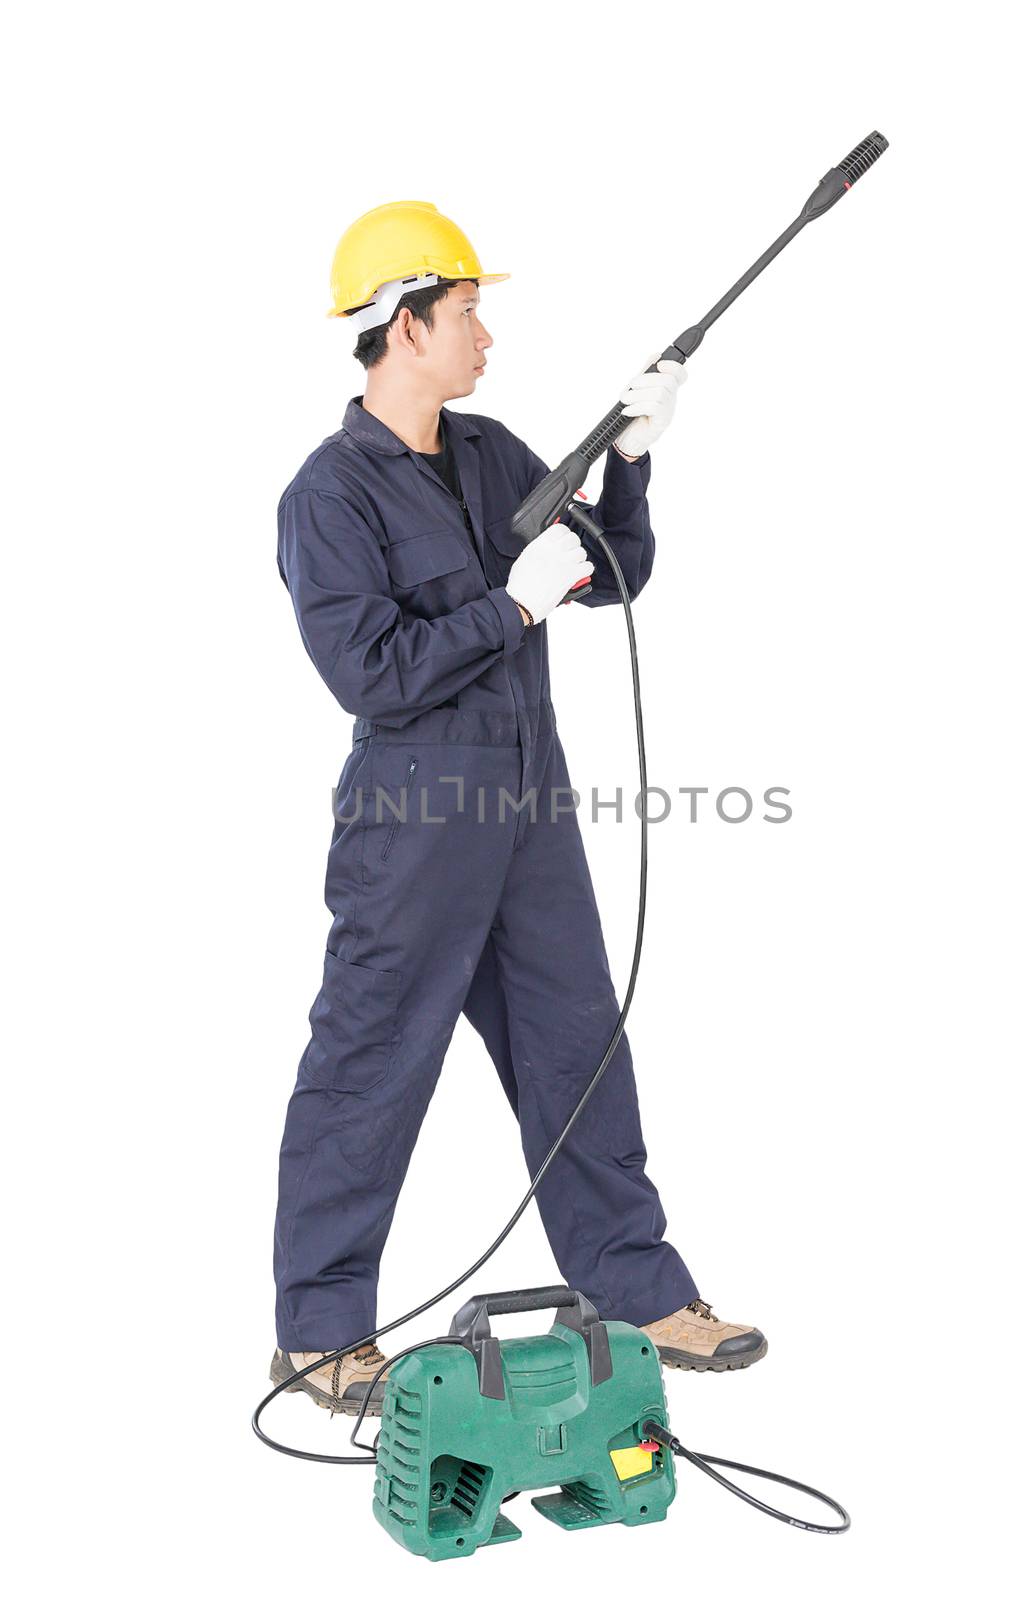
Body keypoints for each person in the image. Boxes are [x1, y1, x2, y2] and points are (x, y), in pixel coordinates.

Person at [270, 201, 767, 1416]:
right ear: (401, 325)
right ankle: (321, 1334)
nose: (484, 331)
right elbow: (370, 670)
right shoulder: (327, 496)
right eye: (467, 309)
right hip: (415, 821)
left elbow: (615, 571)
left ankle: (641, 1292)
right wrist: (512, 610)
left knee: (576, 1046)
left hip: (528, 806)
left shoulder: (490, 451)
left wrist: (633, 462)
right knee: (374, 1062)